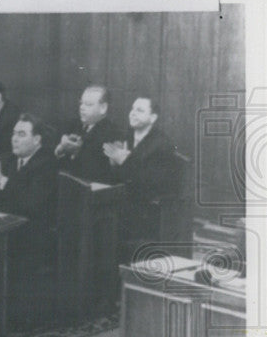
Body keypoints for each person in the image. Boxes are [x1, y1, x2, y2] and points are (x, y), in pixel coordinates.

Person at [0, 113, 58, 329]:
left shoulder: (47, 163)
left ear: (37, 140)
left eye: (21, 134)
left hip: (34, 234)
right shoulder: (7, 159)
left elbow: (31, 204)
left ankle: (2, 319)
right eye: (14, 133)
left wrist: (0, 180)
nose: (14, 139)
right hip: (7, 227)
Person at [102, 96, 181, 248]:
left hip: (146, 209)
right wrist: (113, 165)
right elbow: (118, 176)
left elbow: (151, 184)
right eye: (132, 109)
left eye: (140, 110)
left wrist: (124, 162)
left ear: (152, 118)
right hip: (124, 201)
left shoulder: (162, 144)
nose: (133, 113)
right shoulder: (126, 137)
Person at [54, 85, 122, 184]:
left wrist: (75, 153)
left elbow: (103, 172)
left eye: (88, 104)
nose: (82, 108)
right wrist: (60, 150)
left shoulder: (113, 133)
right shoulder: (72, 125)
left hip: (91, 191)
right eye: (81, 103)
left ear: (103, 108)